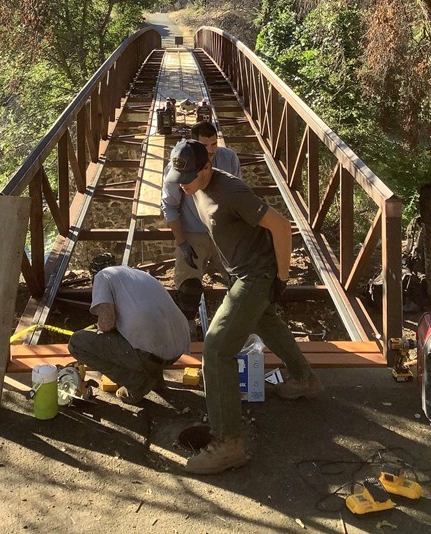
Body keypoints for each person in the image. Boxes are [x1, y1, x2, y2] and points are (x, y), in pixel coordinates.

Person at [164, 139, 324, 474]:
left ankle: (228, 444)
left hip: (258, 274)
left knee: (217, 347)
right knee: (266, 321)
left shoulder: (231, 191)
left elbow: (281, 225)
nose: (184, 185)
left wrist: (281, 277)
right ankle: (304, 379)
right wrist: (187, 247)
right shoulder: (192, 183)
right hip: (240, 271)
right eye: (180, 178)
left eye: (190, 178)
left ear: (207, 166)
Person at [68, 254, 190, 405]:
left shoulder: (102, 276)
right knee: (143, 329)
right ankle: (157, 382)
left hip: (151, 354)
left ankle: (136, 382)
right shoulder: (137, 274)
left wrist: (98, 327)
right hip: (177, 348)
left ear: (93, 274)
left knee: (77, 343)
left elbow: (107, 324)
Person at [161, 121, 242, 328]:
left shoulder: (228, 158)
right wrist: (182, 243)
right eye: (204, 147)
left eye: (214, 144)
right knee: (188, 290)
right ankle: (186, 333)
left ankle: (236, 328)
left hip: (223, 231)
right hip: (193, 232)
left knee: (241, 283)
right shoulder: (178, 166)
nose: (211, 151)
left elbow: (239, 194)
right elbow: (169, 205)